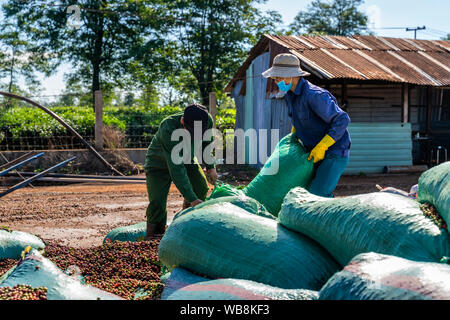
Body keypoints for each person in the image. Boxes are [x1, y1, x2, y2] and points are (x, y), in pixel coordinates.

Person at [262, 53, 351, 198]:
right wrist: (293, 136)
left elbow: (342, 119)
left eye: (278, 77)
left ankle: (331, 218)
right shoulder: (289, 94)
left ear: (292, 75)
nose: (276, 80)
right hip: (311, 151)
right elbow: (298, 120)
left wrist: (323, 146)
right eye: (275, 77)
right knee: (303, 193)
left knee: (318, 195)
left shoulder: (314, 95)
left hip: (334, 152)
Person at [144, 103, 218, 239]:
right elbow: (176, 169)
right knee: (157, 203)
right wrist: (192, 199)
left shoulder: (207, 120)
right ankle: (153, 238)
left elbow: (208, 143)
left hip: (188, 158)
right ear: (183, 121)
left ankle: (184, 227)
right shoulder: (168, 127)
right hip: (158, 166)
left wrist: (211, 167)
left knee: (200, 188)